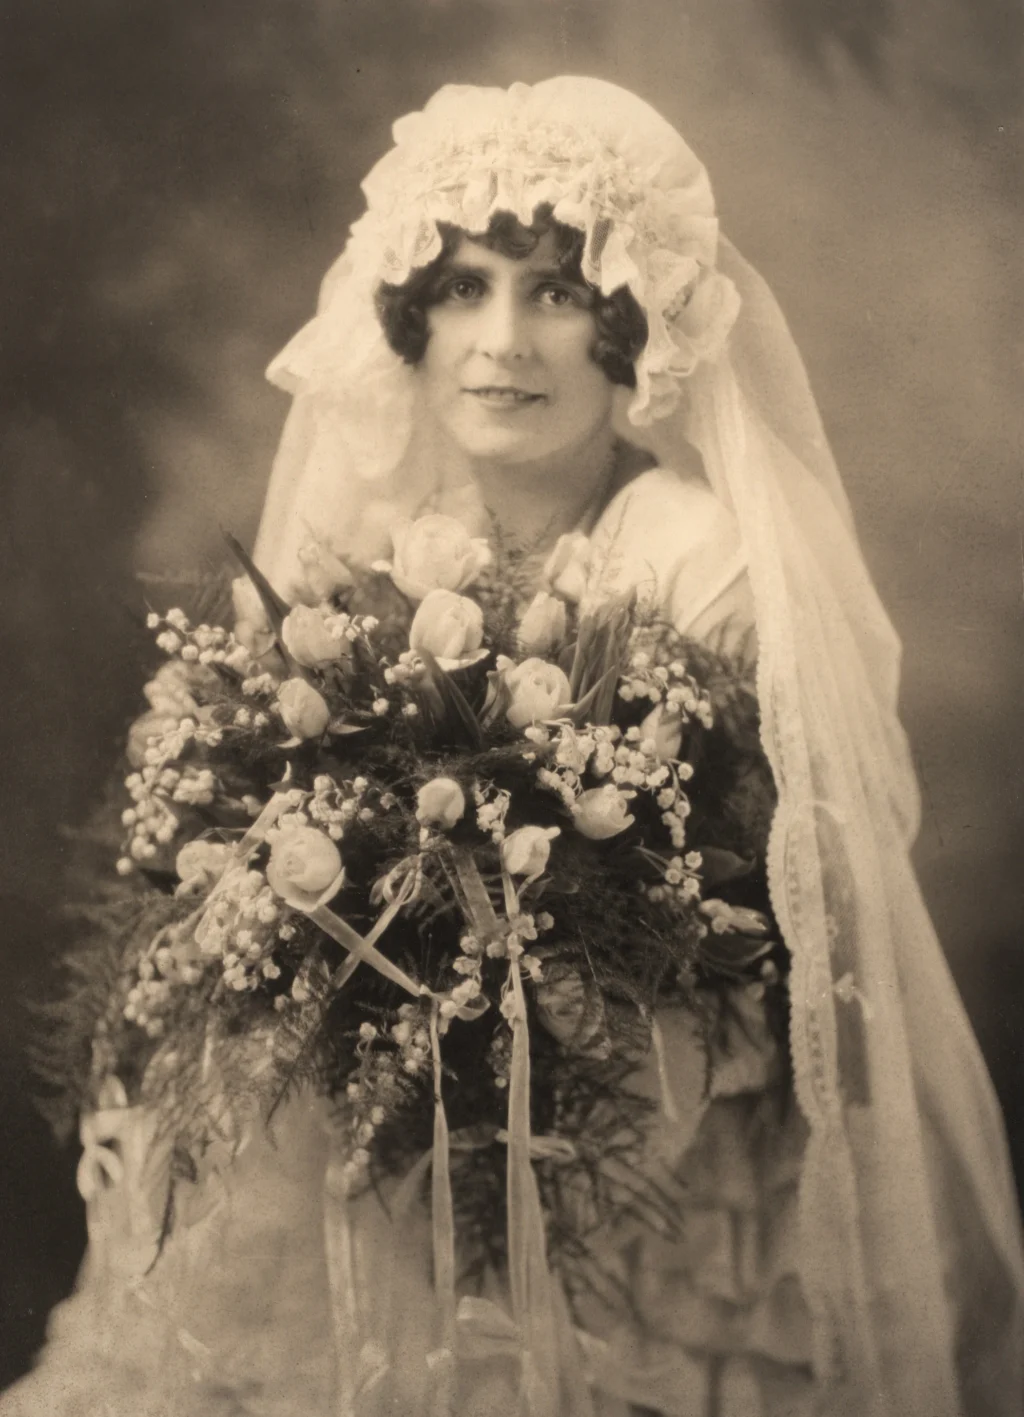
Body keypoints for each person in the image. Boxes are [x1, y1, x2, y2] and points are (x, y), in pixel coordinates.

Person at [3, 76, 1022, 1417]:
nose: (504, 342)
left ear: (628, 334)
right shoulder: (356, 546)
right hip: (374, 1139)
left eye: (553, 292)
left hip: (640, 1154)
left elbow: (784, 930)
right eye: (465, 290)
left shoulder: (697, 557)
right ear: (409, 322)